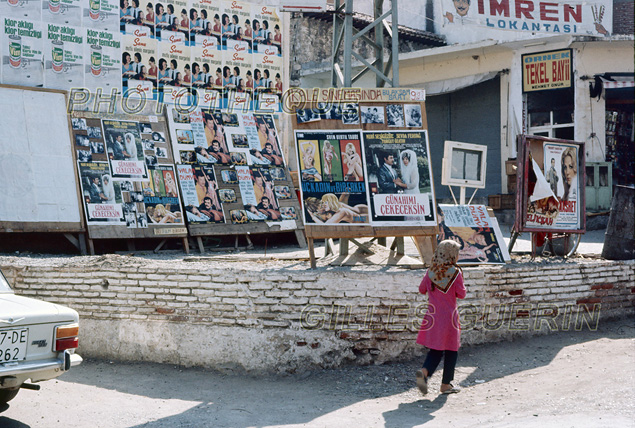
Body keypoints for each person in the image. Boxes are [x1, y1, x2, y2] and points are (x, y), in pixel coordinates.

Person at [415, 239, 466, 395]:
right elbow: (461, 294)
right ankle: (445, 384)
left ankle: (425, 372)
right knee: (452, 350)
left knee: (436, 349)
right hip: (449, 317)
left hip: (432, 316)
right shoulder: (456, 273)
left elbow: (422, 289)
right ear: (452, 255)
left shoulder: (431, 271)